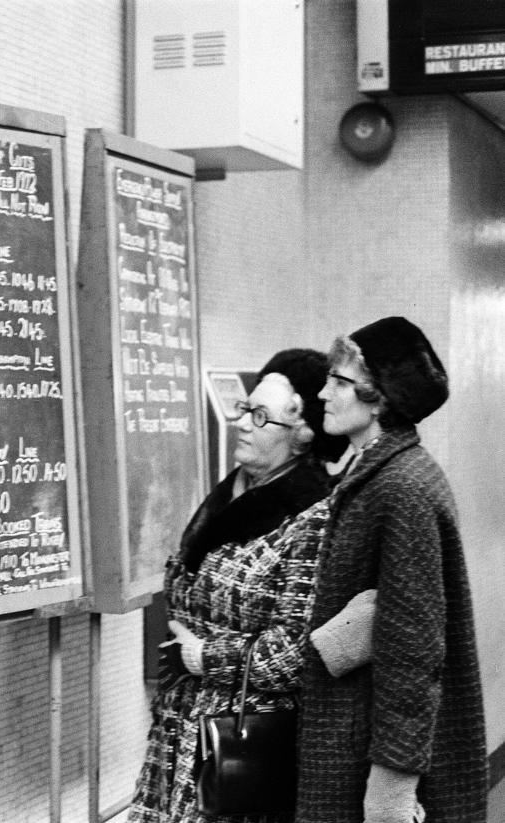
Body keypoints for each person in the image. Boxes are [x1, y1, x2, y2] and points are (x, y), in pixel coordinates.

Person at [127, 348, 349, 823]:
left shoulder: (312, 517)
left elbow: (297, 649)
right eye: (245, 409)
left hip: (243, 738)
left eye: (262, 416)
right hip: (180, 728)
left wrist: (204, 656)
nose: (244, 423)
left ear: (302, 436)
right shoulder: (226, 494)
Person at [297, 317, 487, 823]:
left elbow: (414, 647)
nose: (322, 392)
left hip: (370, 747)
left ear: (377, 397)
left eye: (338, 382)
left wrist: (392, 788)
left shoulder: (402, 487)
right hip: (355, 726)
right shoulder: (375, 471)